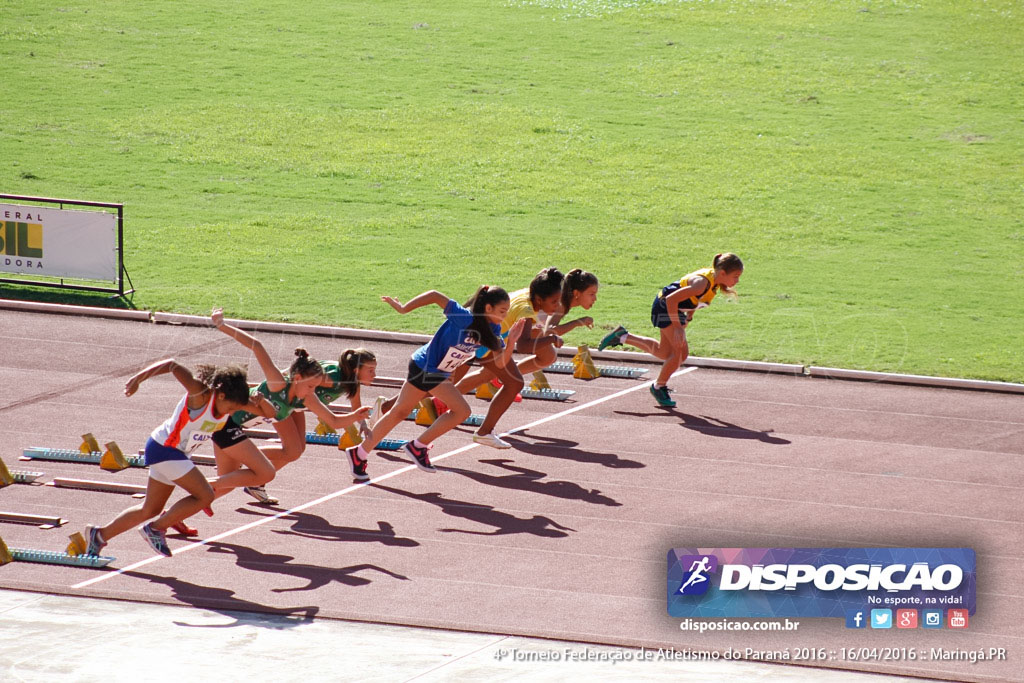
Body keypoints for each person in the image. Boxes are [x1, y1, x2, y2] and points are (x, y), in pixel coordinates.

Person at [84, 361, 275, 557]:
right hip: (164, 449)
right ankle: (156, 529)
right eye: (231, 408)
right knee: (205, 495)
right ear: (222, 395)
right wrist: (137, 379)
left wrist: (260, 401)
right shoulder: (199, 394)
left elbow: (271, 413)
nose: (231, 414)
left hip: (175, 455)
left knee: (150, 509)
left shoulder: (232, 400)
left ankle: (99, 535)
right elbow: (172, 365)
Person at [342, 286, 525, 479]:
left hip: (425, 367)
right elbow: (435, 295)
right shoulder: (464, 318)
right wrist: (403, 309)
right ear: (488, 308)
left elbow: (500, 362)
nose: (505, 316)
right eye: (502, 311)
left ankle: (359, 454)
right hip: (428, 369)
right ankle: (418, 447)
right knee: (462, 411)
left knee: (399, 412)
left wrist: (511, 341)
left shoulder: (493, 329)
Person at [209, 309, 371, 504]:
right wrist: (222, 325)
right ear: (297, 378)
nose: (313, 391)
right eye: (311, 386)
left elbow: (334, 421)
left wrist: (357, 416)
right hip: (225, 424)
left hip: (236, 429)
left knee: (227, 485)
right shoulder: (278, 384)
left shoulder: (306, 398)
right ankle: (241, 468)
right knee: (237, 477)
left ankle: (176, 514)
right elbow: (257, 346)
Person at [599, 253, 743, 407]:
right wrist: (677, 328)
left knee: (665, 353)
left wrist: (689, 317)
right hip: (665, 307)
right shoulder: (702, 283)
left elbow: (696, 300)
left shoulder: (714, 282)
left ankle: (622, 336)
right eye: (735, 276)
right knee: (680, 354)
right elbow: (671, 299)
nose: (737, 281)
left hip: (675, 310)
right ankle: (658, 387)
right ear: (722, 273)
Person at [452, 267, 566, 449]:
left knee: (434, 383)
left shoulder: (528, 294)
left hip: (481, 337)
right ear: (539, 299)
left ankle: (394, 407)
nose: (556, 306)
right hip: (481, 341)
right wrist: (551, 338)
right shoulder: (527, 311)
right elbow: (524, 346)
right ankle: (484, 432)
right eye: (553, 302)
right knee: (514, 383)